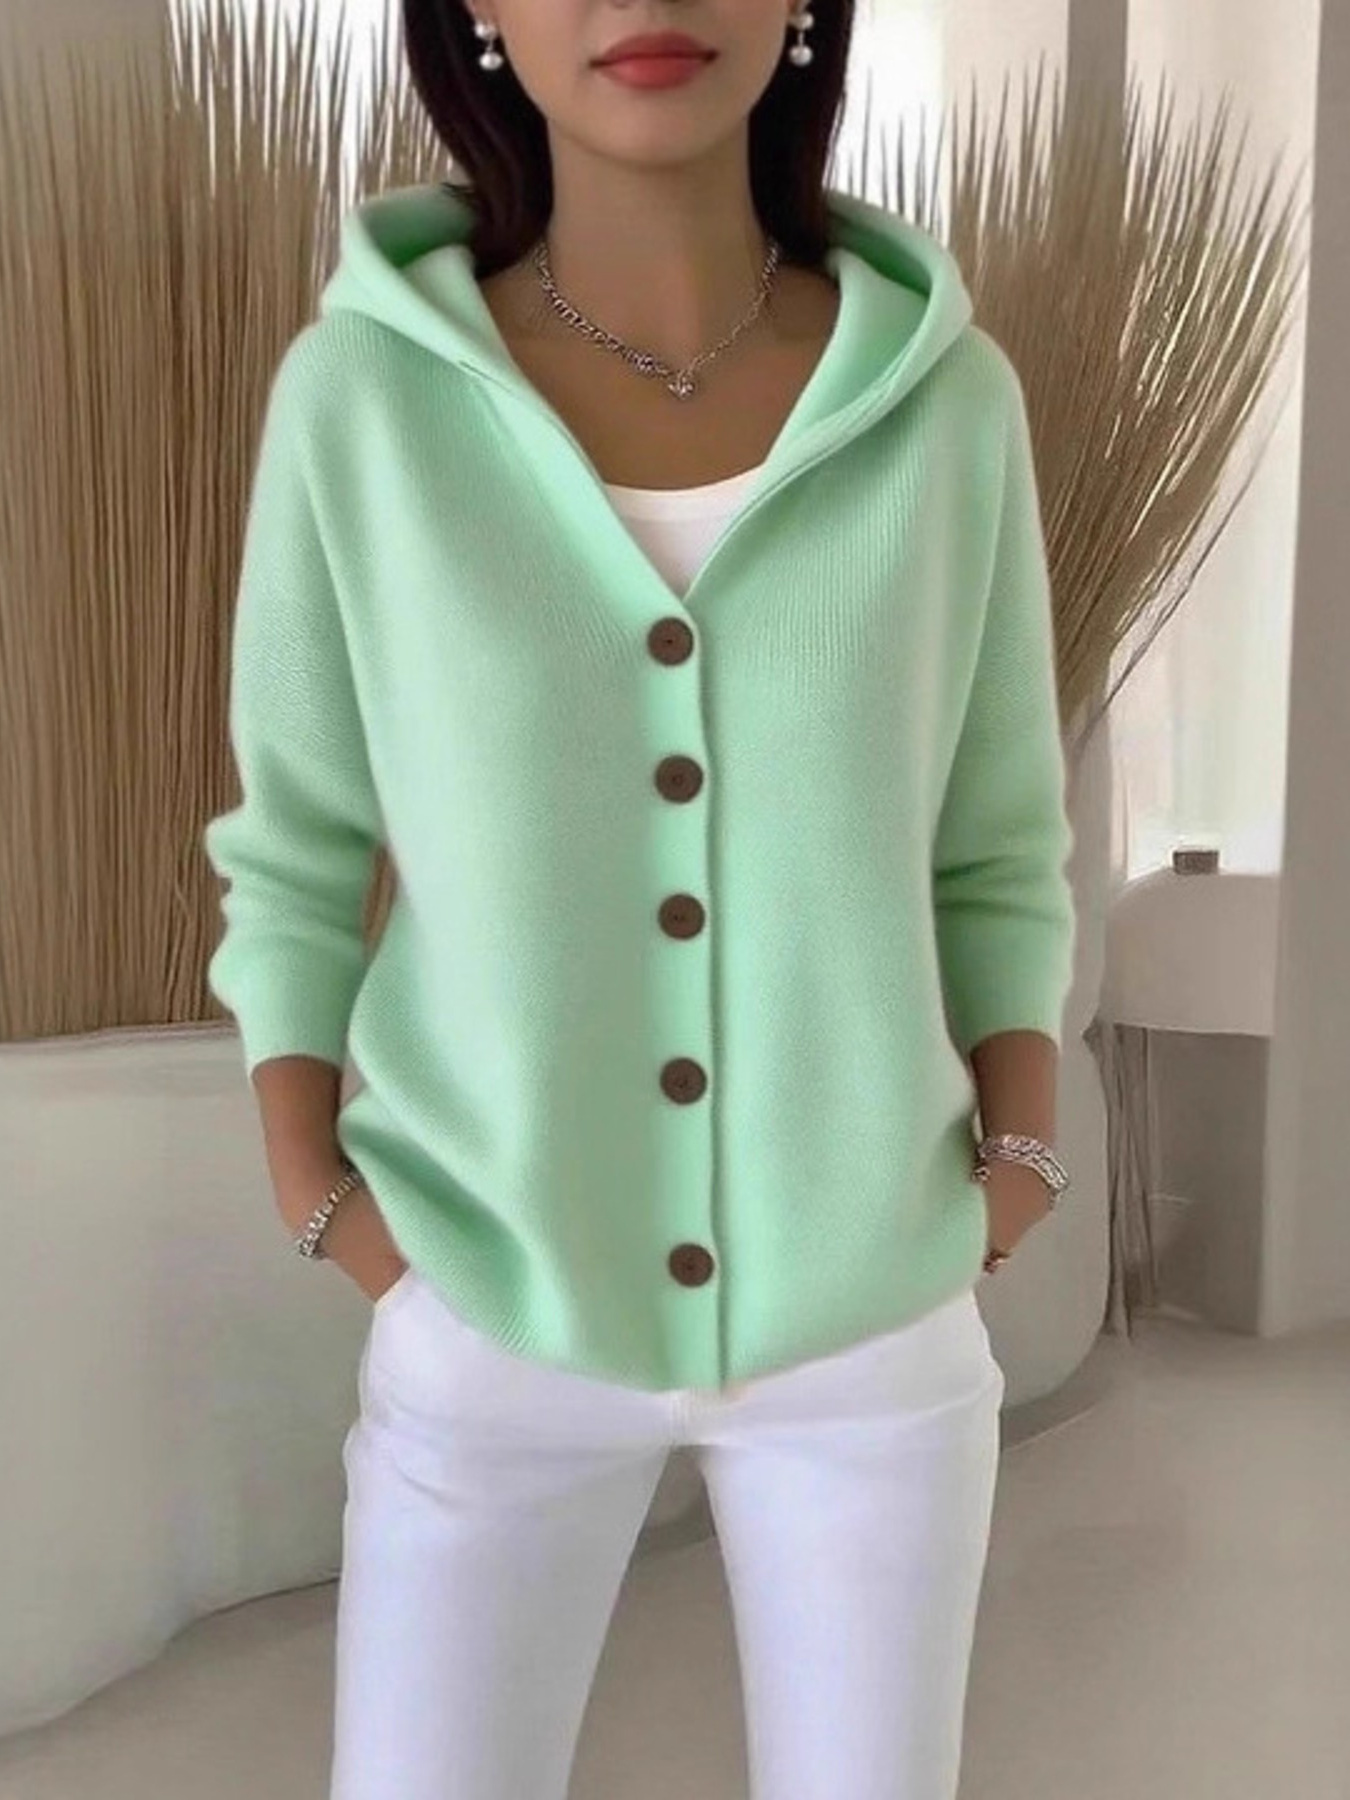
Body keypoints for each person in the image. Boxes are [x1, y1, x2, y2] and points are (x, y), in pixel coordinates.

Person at [201, 2, 1078, 1795]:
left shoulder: (944, 405)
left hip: (869, 1319)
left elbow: (995, 844)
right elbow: (297, 844)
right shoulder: (362, 398)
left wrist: (1014, 1167)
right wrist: (322, 1198)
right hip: (485, 1298)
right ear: (476, 12)